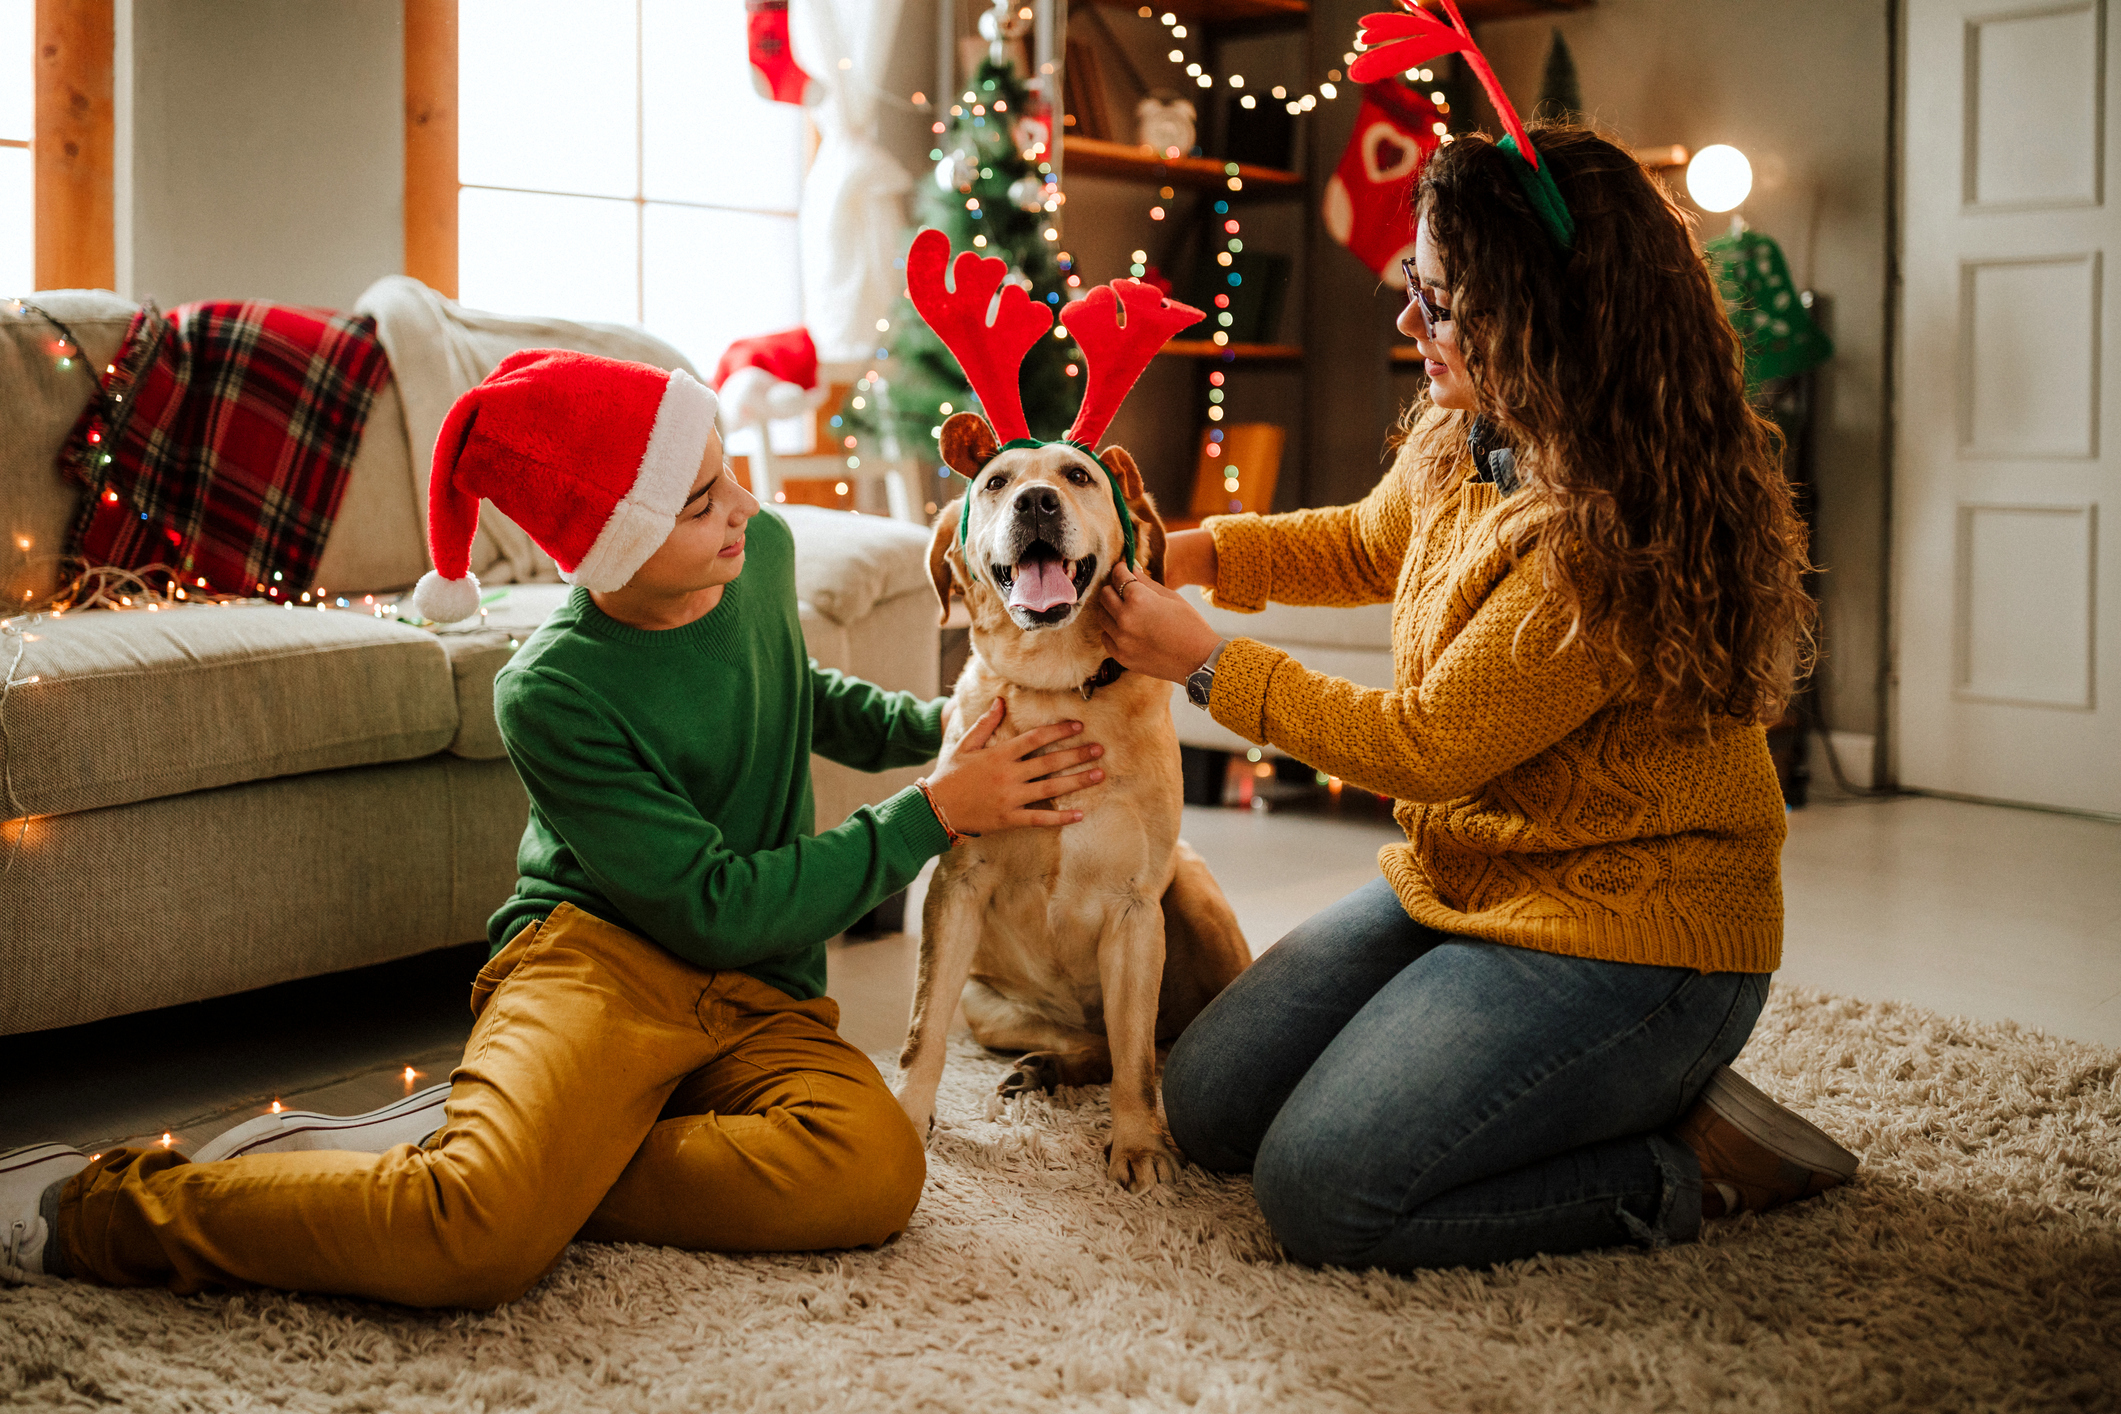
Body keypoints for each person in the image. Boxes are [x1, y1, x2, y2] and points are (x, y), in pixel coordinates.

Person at [1, 349, 1103, 1306]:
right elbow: (713, 904)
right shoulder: (551, 691)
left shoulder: (753, 555)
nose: (742, 509)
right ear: (611, 547)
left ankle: (525, 1156)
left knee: (870, 1169)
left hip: (758, 991)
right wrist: (935, 810)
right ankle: (96, 1209)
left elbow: (795, 689)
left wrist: (947, 725)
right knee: (468, 1239)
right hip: (600, 965)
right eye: (699, 501)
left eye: (728, 475)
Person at [1098, 123, 1858, 1274]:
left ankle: (1680, 1162)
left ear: (1539, 315)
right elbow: (1364, 542)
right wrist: (1191, 549)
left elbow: (1424, 744)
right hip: (1468, 876)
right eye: (1416, 285)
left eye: (1442, 302)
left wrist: (1201, 658)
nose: (1411, 322)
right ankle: (1553, 1091)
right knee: (1204, 1101)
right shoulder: (1467, 428)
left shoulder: (1608, 533)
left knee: (1325, 1193)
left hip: (1632, 939)